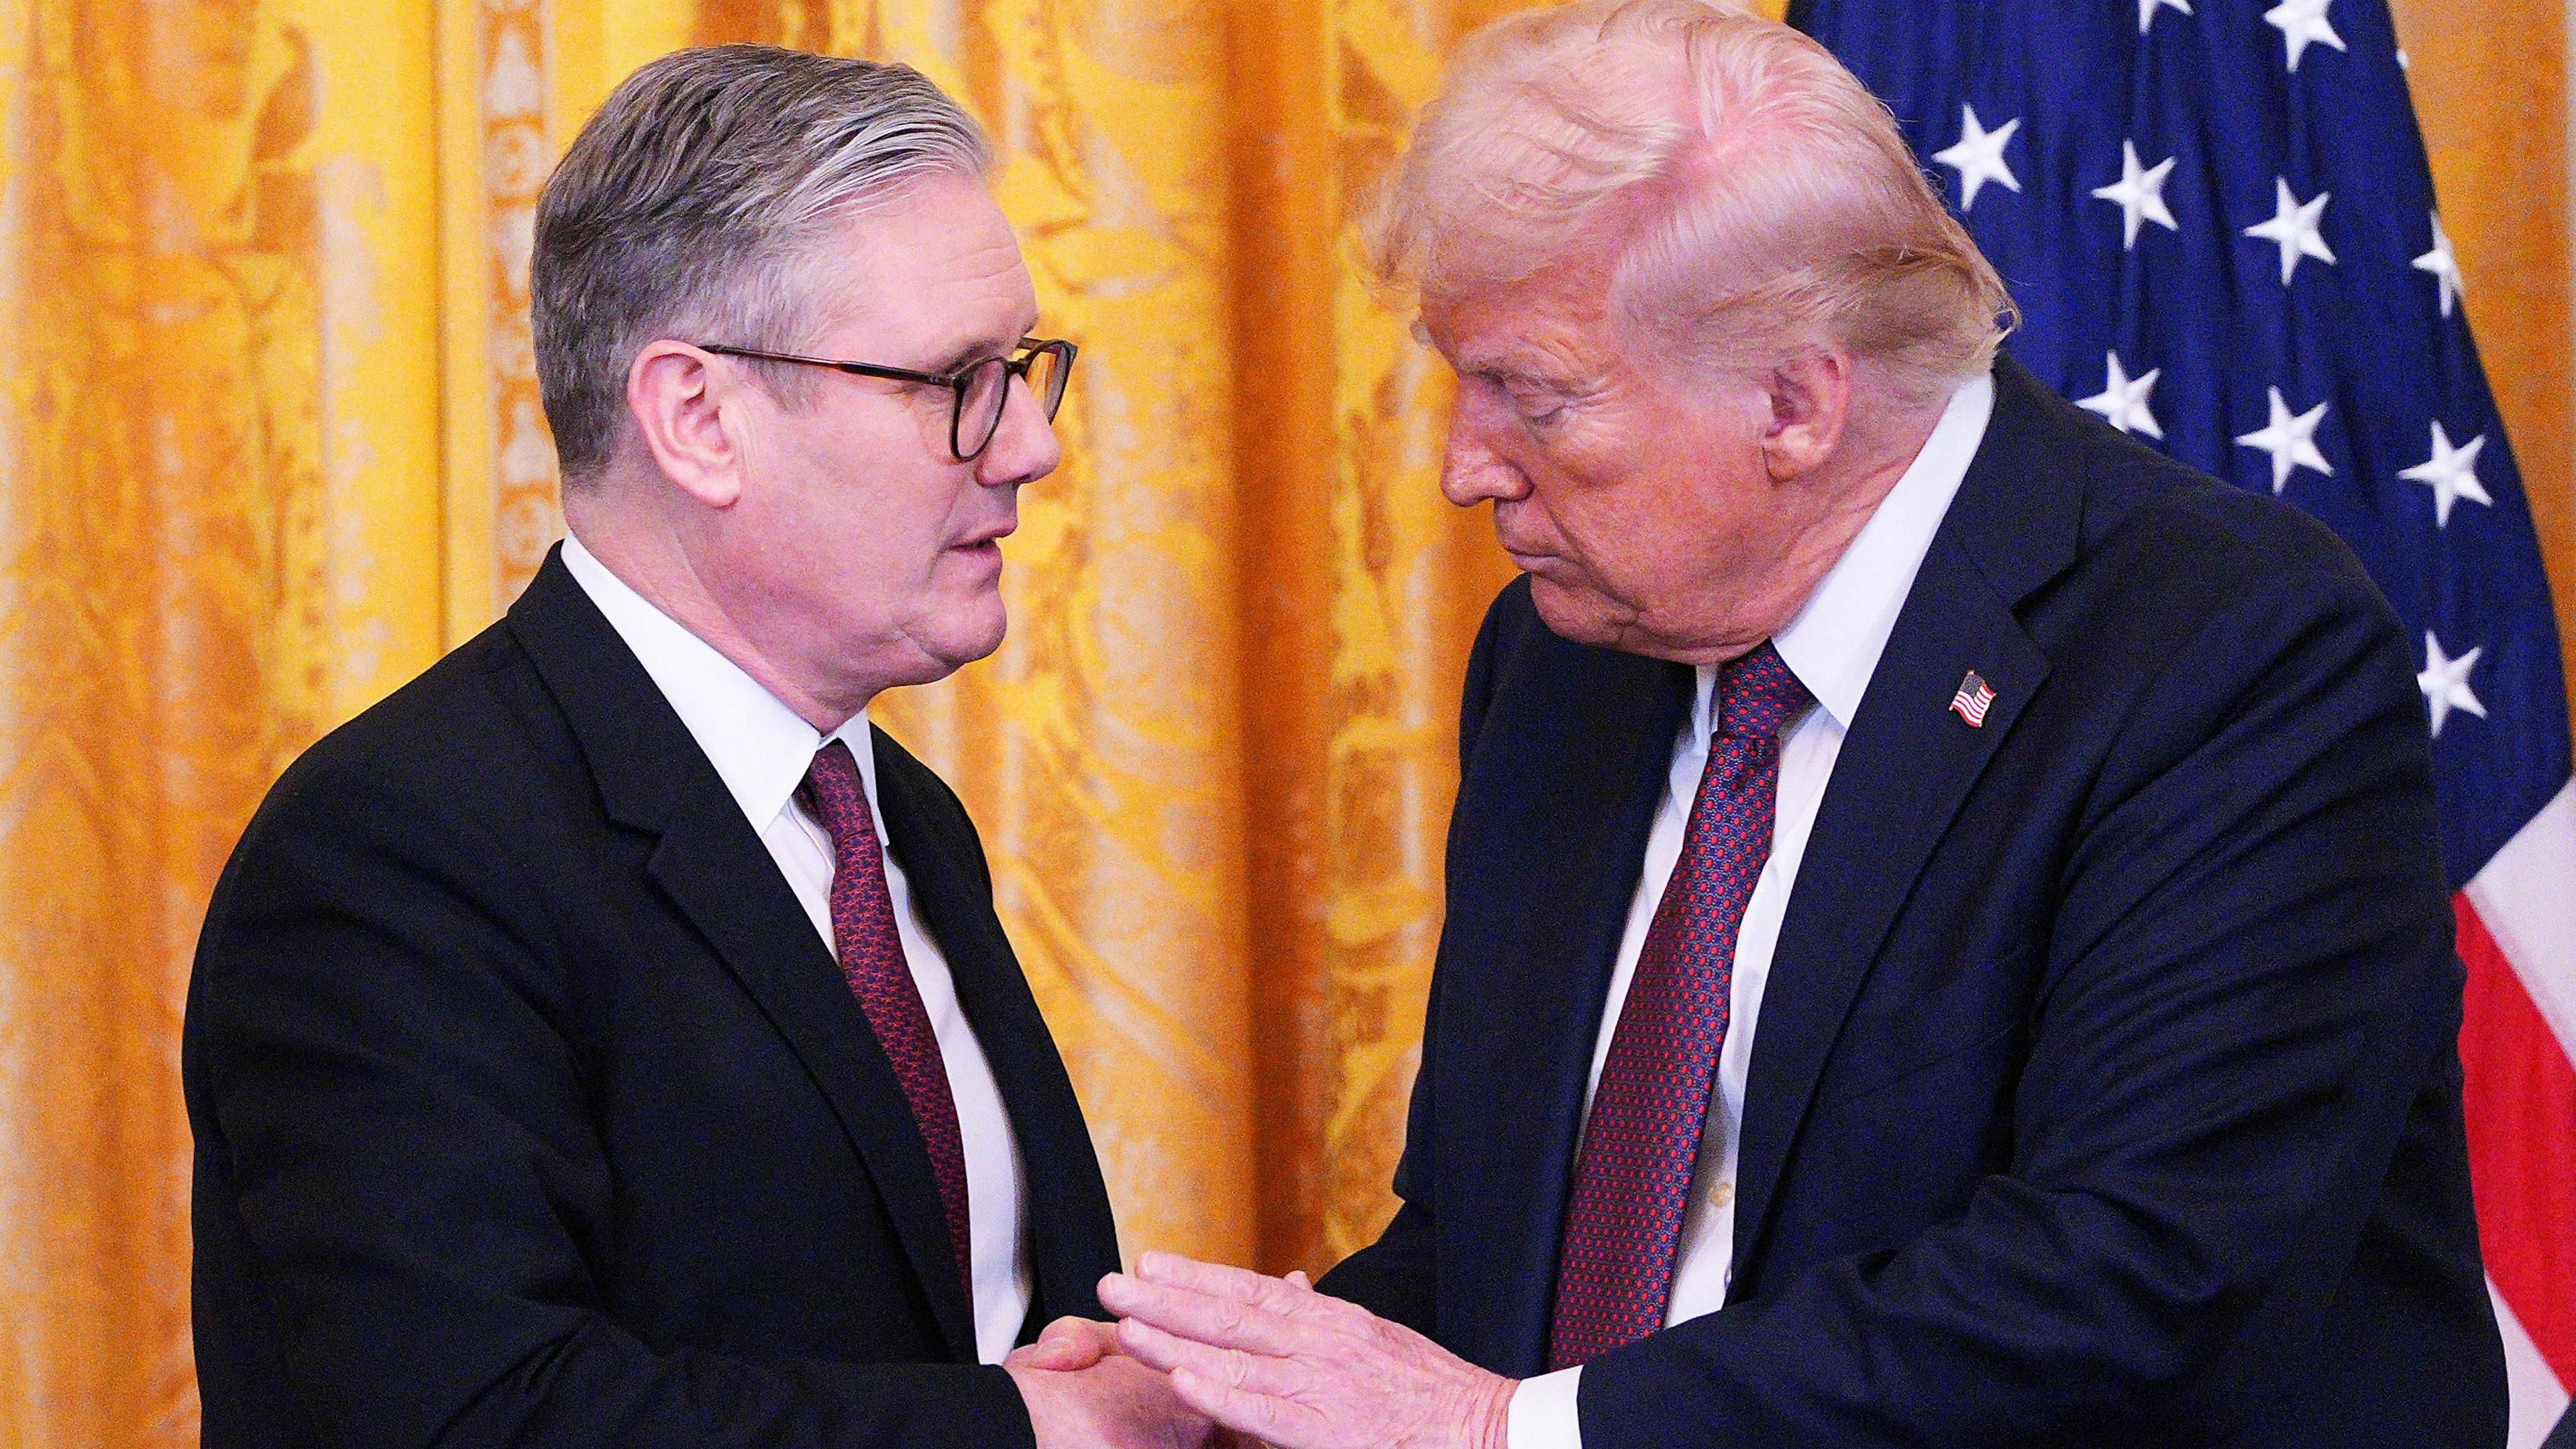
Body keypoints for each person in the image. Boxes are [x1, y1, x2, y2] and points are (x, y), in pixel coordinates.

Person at [1092, 4, 2509, 1447]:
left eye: (1535, 396)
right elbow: (1497, 1245)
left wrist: (1501, 1435)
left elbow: (2129, 1284)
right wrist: (1236, 1393)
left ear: (1794, 401)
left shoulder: (2222, 653)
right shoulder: (1562, 663)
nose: (1466, 468)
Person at [184, 45, 1207, 1449]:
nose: (1028, 442)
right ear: (699, 418)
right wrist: (1042, 1434)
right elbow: (466, 1415)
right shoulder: (397, 851)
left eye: (1025, 370)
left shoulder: (895, 817)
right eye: (959, 381)